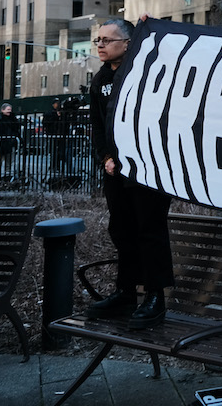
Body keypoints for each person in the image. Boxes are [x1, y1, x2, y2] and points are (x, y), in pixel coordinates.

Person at [85, 18, 174, 329]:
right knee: (122, 230)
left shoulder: (144, 70)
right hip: (116, 172)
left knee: (149, 230)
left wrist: (155, 26)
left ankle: (155, 296)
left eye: (108, 40)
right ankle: (126, 292)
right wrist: (107, 157)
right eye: (98, 39)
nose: (100, 45)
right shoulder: (99, 81)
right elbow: (97, 126)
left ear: (128, 43)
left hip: (148, 169)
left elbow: (171, 53)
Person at [0, 102, 21, 177]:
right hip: (0, 145)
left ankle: (7, 178)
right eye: (8, 109)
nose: (9, 111)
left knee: (9, 164)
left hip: (10, 144)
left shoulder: (13, 119)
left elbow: (16, 130)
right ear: (2, 110)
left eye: (10, 109)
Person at [43, 98, 69, 174]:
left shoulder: (63, 113)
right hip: (53, 134)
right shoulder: (50, 113)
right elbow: (46, 122)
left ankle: (58, 166)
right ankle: (53, 166)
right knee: (53, 151)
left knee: (61, 152)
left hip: (61, 134)